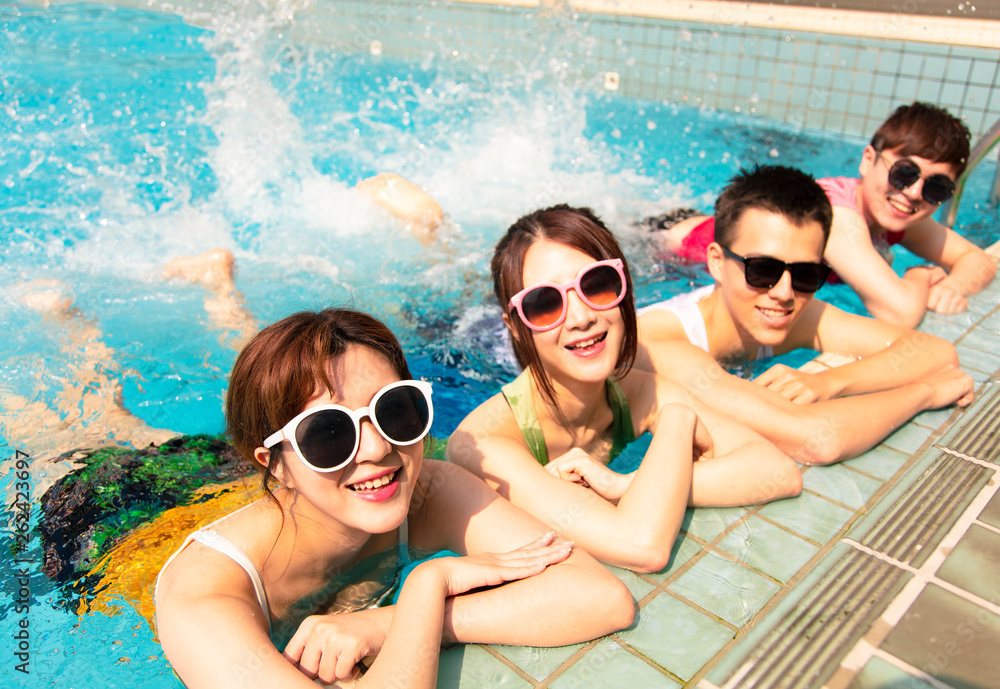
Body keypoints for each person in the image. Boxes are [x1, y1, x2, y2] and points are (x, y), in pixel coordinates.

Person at [154, 308, 634, 689]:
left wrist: (397, 620)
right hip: (121, 522)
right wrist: (430, 584)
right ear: (275, 464)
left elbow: (601, 597)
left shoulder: (428, 491)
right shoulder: (203, 597)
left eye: (394, 410)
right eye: (328, 433)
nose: (380, 449)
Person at [446, 205, 802, 574]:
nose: (581, 317)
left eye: (596, 285)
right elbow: (641, 547)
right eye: (544, 303)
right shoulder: (485, 445)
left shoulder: (634, 391)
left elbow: (777, 470)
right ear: (517, 327)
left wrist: (624, 483)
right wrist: (680, 422)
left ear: (625, 288)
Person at [647, 103, 997, 326]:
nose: (913, 194)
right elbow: (900, 312)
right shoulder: (838, 218)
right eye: (904, 173)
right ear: (868, 160)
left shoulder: (899, 215)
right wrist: (922, 274)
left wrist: (952, 285)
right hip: (671, 247)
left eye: (937, 188)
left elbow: (977, 260)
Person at [638, 165, 965, 404]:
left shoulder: (797, 319)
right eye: (762, 271)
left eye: (806, 275)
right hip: (662, 241)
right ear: (717, 263)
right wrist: (927, 394)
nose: (784, 293)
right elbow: (814, 440)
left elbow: (935, 352)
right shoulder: (657, 344)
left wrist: (829, 382)